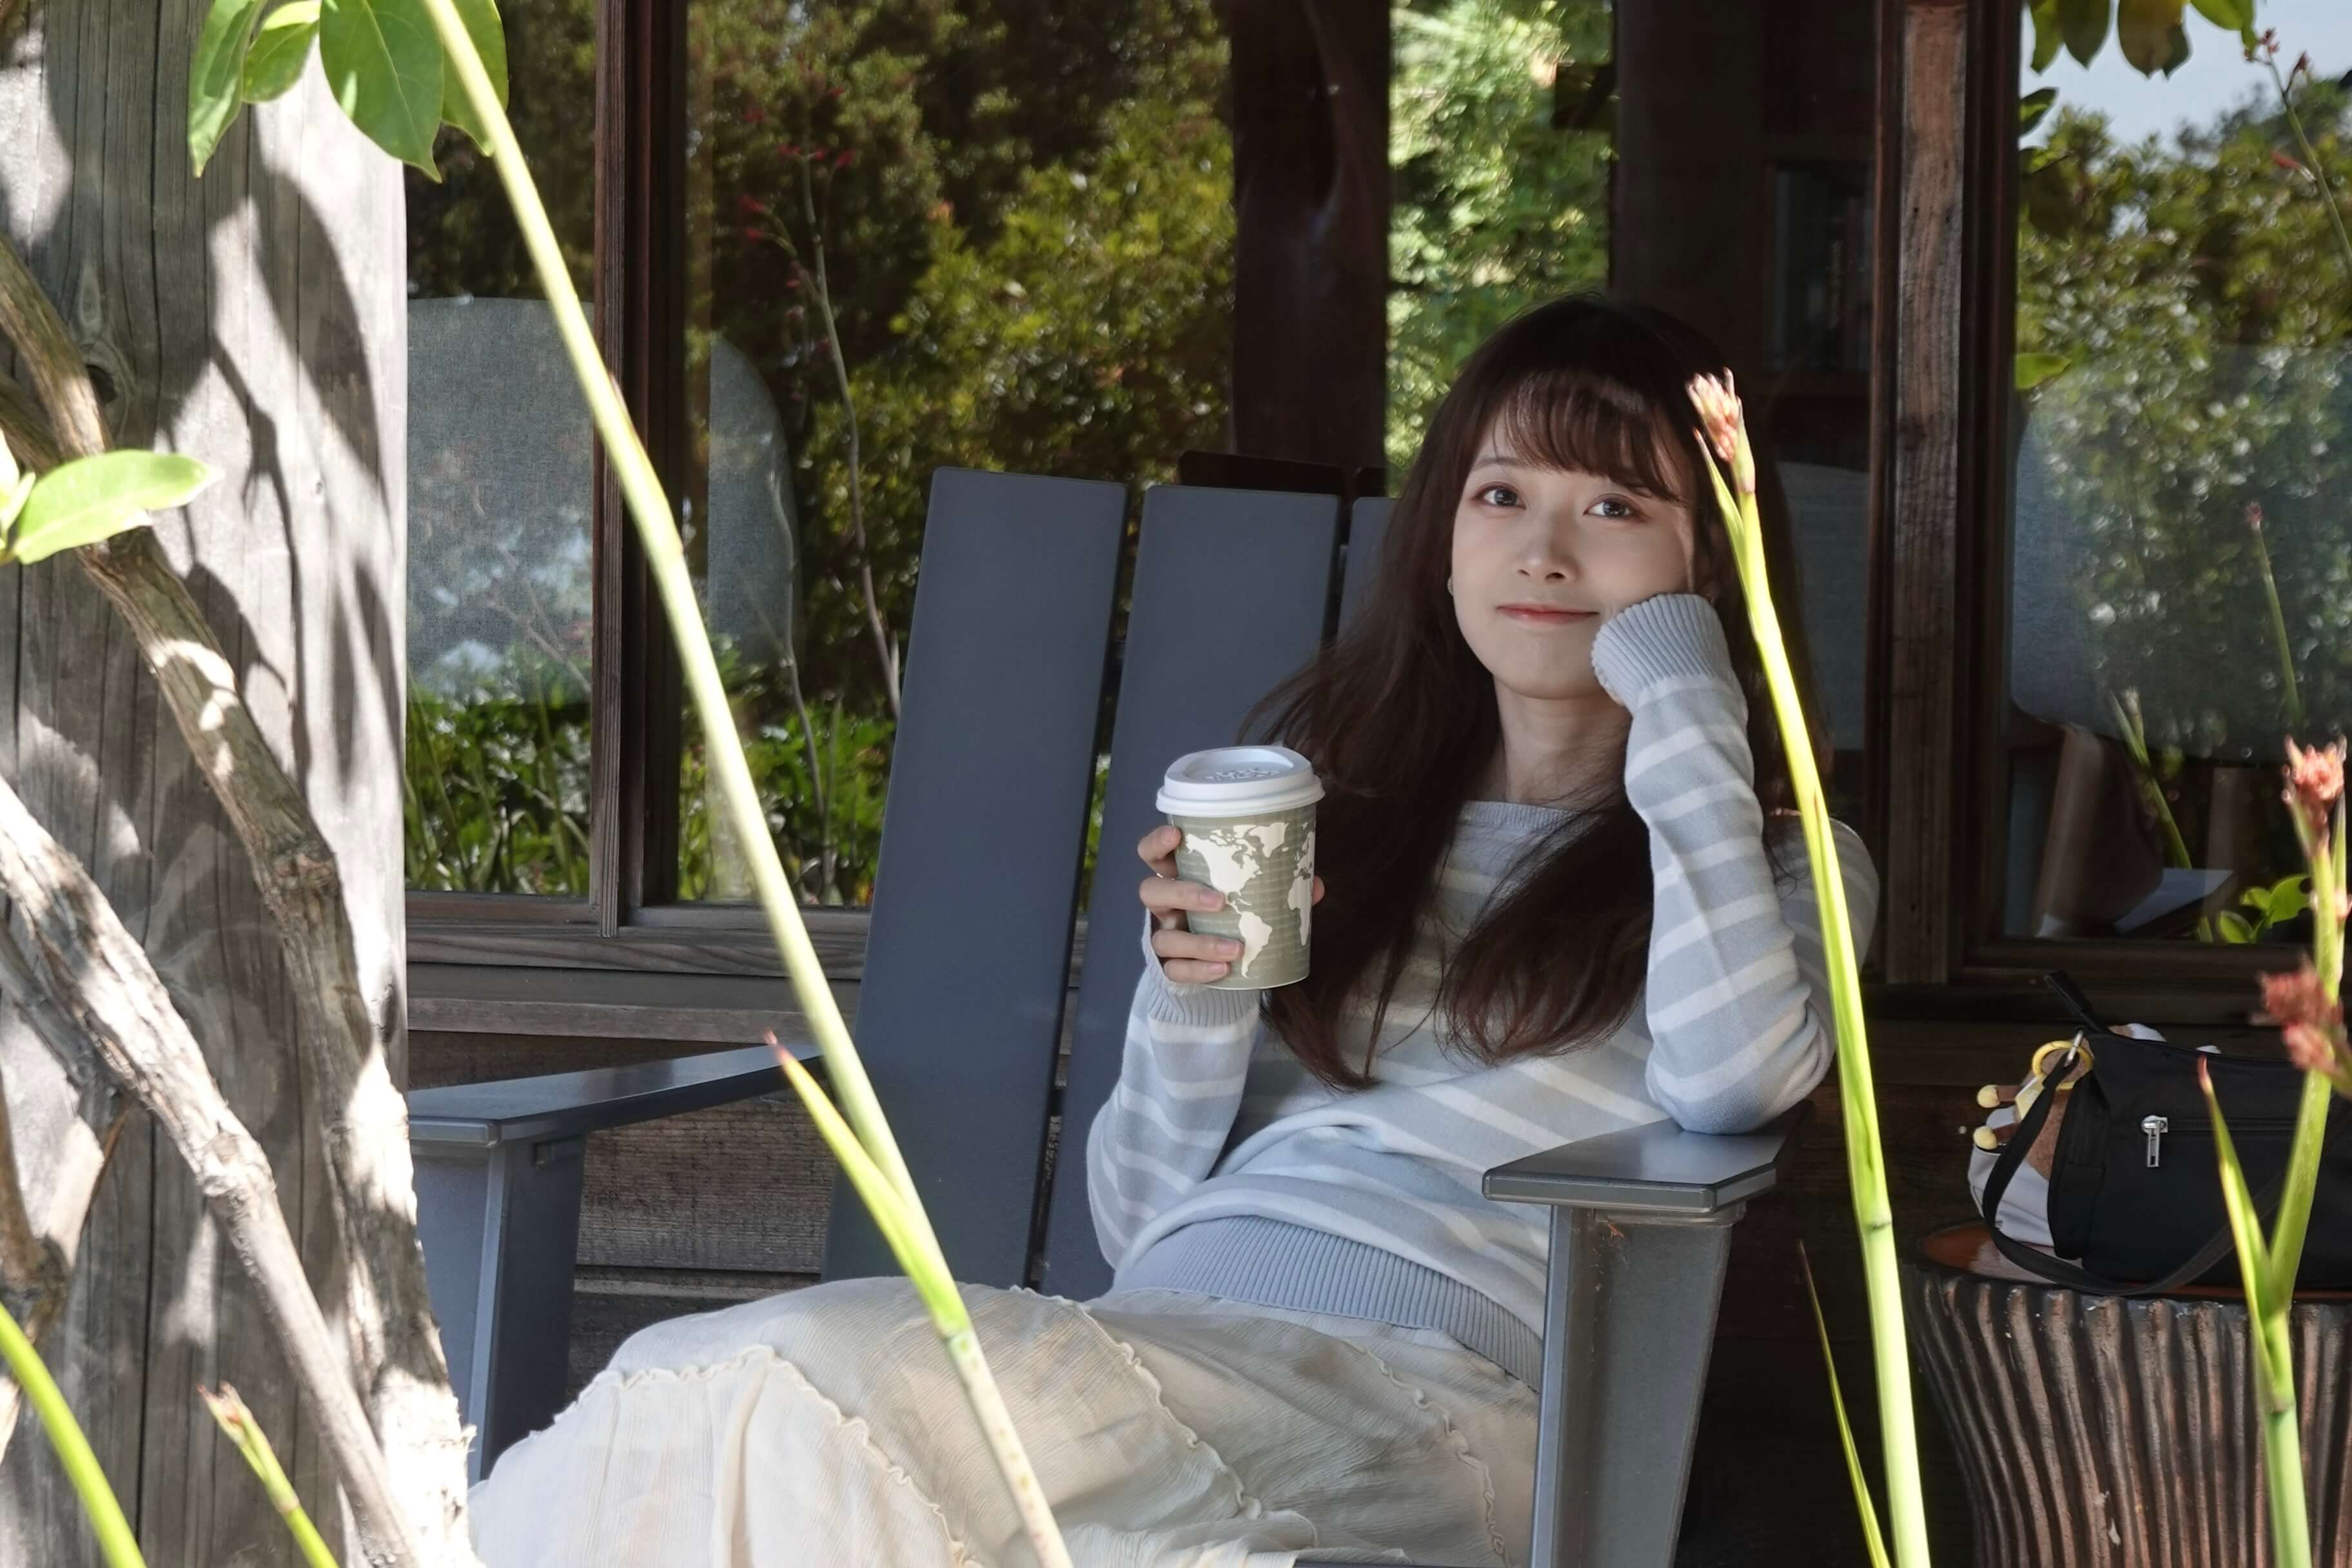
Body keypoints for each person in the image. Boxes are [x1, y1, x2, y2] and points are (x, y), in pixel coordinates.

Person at [467, 295, 1880, 1568]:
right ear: (1443, 541)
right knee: (737, 1397)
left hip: (1434, 1404)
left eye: (1616, 509)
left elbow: (1736, 1075)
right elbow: (1140, 1219)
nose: (1544, 551)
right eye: (1499, 493)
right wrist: (1198, 999)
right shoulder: (1350, 837)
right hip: (1166, 1350)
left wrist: (1691, 698)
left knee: (796, 1391)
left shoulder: (1771, 865)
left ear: (1711, 573)